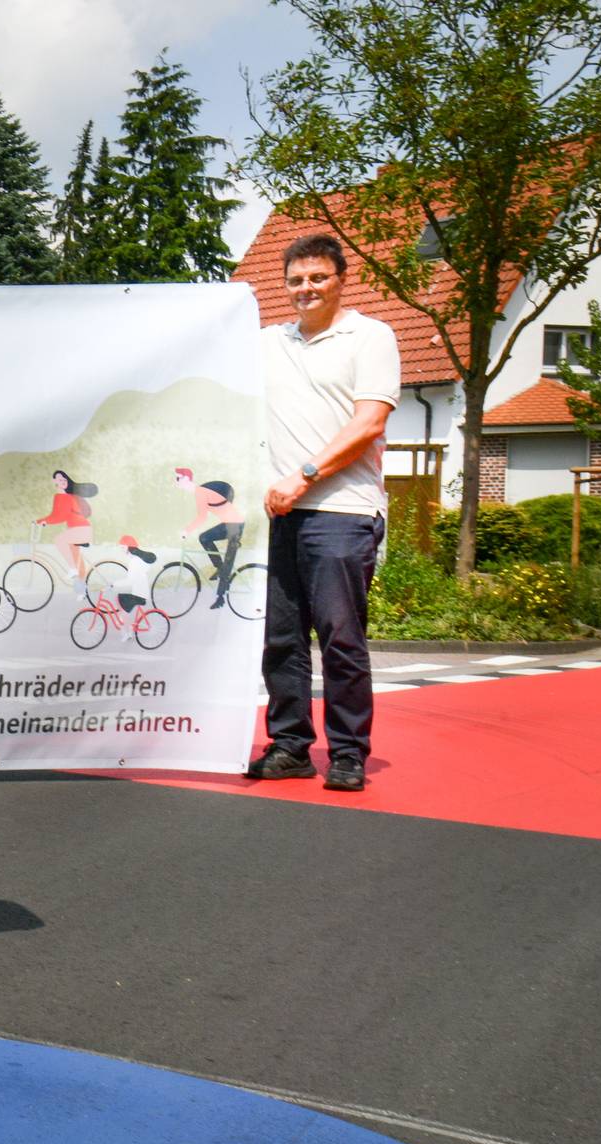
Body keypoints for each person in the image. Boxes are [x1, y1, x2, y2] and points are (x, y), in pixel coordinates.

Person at [249, 232, 396, 792]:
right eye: (296, 280)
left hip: (342, 511)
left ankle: (349, 753)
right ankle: (290, 746)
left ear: (341, 280)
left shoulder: (371, 337)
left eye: (317, 278)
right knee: (280, 639)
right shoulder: (267, 343)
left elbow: (368, 425)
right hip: (278, 513)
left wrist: (302, 476)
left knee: (340, 637)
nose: (306, 288)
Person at [175, 467, 245, 609]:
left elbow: (202, 517)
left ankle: (220, 599)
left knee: (227, 565)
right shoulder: (200, 492)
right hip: (230, 524)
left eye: (178, 478)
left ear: (186, 479)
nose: (176, 482)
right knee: (205, 538)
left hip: (235, 526)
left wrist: (186, 531)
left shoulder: (201, 492)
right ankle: (219, 566)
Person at [34, 471, 97, 579]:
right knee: (77, 560)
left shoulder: (68, 497)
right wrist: (40, 521)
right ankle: (82, 590)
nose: (63, 481)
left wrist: (44, 522)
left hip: (81, 529)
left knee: (59, 540)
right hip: (76, 530)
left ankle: (72, 569)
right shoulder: (58, 496)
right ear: (54, 481)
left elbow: (61, 516)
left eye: (64, 479)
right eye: (60, 479)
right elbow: (54, 515)